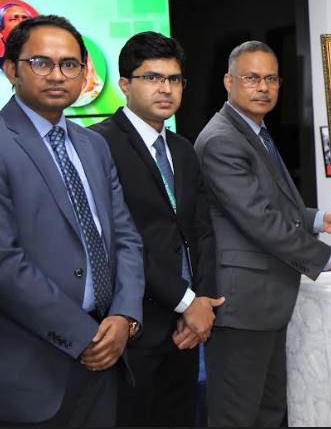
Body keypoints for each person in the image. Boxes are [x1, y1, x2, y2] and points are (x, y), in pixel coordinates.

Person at [194, 40, 331, 427]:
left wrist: (320, 219)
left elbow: (270, 201)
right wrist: (330, 258)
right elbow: (260, 220)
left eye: (271, 79)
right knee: (238, 417)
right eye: (252, 78)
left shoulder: (253, 130)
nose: (263, 87)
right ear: (228, 82)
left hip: (266, 300)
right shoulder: (222, 139)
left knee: (269, 412)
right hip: (242, 305)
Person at [0, 15, 144, 425]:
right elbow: (5, 262)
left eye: (69, 64)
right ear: (10, 70)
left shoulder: (93, 144)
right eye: (40, 63)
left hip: (107, 355)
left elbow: (126, 237)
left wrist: (124, 317)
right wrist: (84, 336)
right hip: (31, 369)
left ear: (84, 73)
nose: (56, 75)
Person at [90, 31, 221, 426]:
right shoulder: (98, 145)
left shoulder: (182, 148)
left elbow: (201, 230)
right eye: (152, 77)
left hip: (187, 328)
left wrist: (203, 300)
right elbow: (115, 241)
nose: (165, 88)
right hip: (134, 324)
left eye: (174, 79)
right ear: (124, 84)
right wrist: (186, 301)